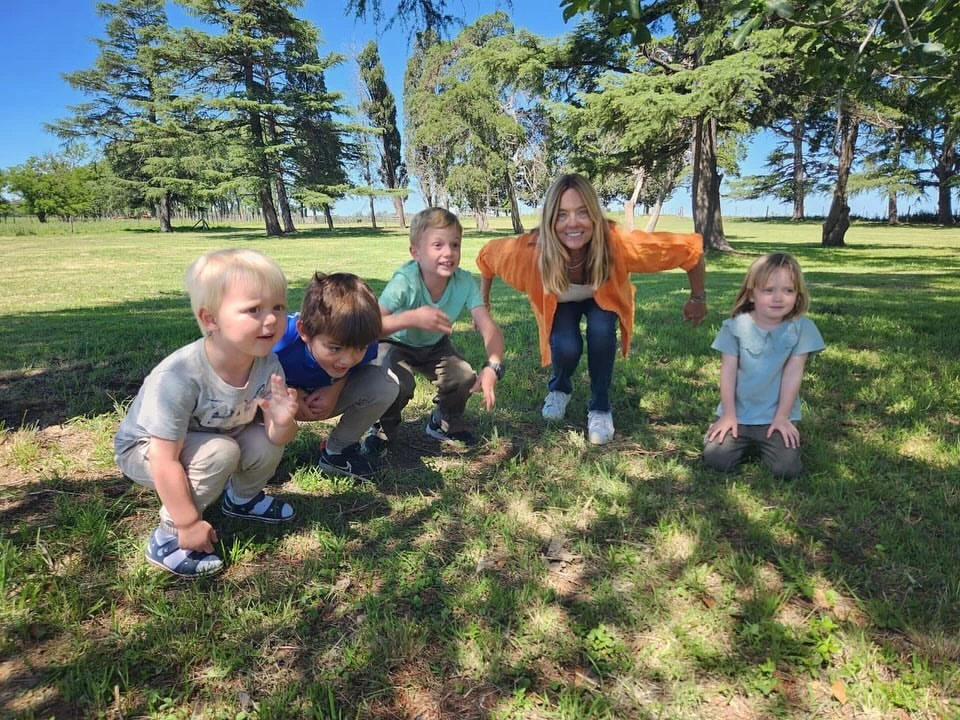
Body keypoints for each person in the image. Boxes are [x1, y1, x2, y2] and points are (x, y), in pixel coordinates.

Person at [476, 173, 707, 445]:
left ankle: (600, 406)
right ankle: (559, 388)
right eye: (561, 215)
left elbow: (689, 252)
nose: (572, 223)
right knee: (566, 346)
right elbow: (487, 258)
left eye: (582, 212)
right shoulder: (528, 252)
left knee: (601, 330)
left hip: (601, 298)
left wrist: (697, 299)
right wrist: (484, 304)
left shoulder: (617, 244)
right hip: (560, 302)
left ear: (595, 215)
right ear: (550, 220)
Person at [114, 249, 300, 578]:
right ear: (210, 319)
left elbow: (276, 438)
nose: (271, 319)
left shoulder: (267, 362)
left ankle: (241, 500)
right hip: (146, 451)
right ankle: (168, 537)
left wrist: (284, 422)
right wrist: (187, 522)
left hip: (216, 435)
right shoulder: (180, 376)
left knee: (262, 442)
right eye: (253, 309)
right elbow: (163, 458)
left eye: (278, 307)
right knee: (222, 452)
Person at [369, 207, 506, 449]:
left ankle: (444, 421)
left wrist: (493, 365)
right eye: (438, 245)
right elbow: (371, 325)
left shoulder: (463, 281)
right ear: (416, 252)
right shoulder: (405, 281)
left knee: (463, 375)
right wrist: (412, 318)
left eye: (455, 245)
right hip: (394, 340)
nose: (449, 252)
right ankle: (382, 427)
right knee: (395, 383)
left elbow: (488, 326)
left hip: (435, 344)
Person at [702, 252, 825, 479]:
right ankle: (735, 439)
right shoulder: (734, 327)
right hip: (738, 416)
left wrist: (782, 417)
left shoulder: (803, 329)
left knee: (787, 469)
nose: (778, 298)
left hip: (775, 417)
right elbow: (728, 372)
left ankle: (770, 441)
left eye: (788, 290)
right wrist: (728, 415)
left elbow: (792, 375)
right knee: (716, 459)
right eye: (769, 290)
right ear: (751, 294)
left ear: (798, 295)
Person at [272, 272, 399, 479]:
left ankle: (338, 452)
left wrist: (335, 387)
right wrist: (289, 394)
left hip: (323, 401)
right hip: (274, 402)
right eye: (335, 348)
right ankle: (257, 458)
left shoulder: (361, 337)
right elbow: (244, 374)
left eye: (359, 348)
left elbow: (358, 368)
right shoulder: (278, 337)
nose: (347, 360)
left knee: (385, 384)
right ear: (304, 331)